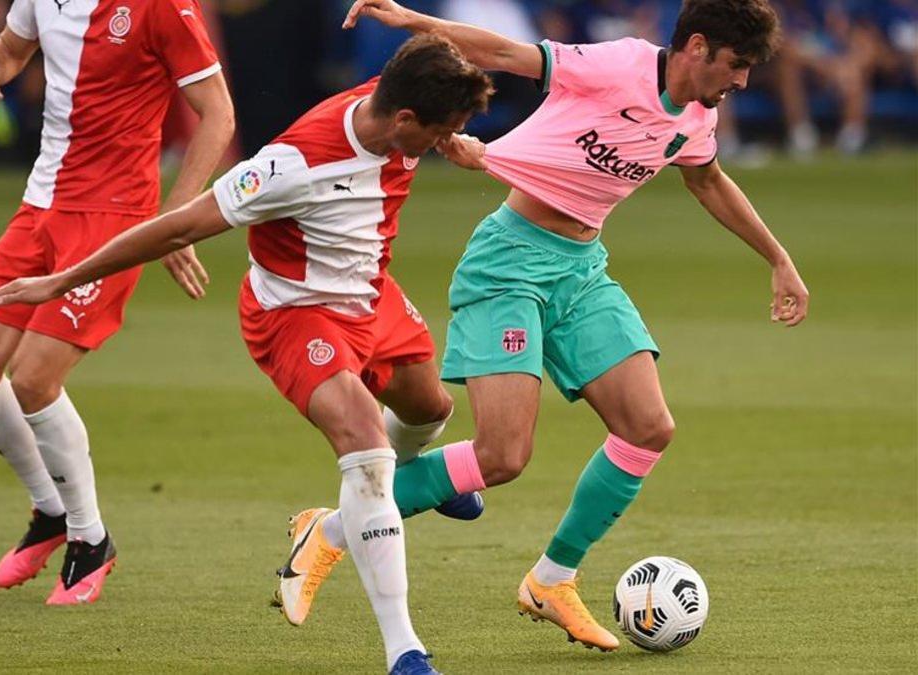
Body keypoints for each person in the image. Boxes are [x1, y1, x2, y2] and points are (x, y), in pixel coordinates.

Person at [0, 34, 494, 675]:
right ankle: (405, 651)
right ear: (403, 121)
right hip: (295, 312)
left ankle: (348, 518)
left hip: (369, 290)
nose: (444, 143)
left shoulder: (399, 104)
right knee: (366, 446)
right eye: (442, 131)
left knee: (430, 410)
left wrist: (452, 139)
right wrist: (58, 282)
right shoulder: (291, 166)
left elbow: (432, 72)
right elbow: (180, 225)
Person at [330, 0, 810, 652]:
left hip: (581, 267)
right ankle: (335, 526)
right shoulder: (619, 67)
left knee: (648, 426)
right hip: (511, 260)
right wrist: (414, 20)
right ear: (698, 46)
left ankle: (552, 579)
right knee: (502, 454)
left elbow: (709, 182)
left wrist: (779, 258)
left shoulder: (699, 116)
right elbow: (504, 54)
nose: (743, 81)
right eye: (738, 65)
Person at [0, 0, 234, 605]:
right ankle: (51, 511)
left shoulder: (160, 7)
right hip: (41, 207)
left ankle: (89, 538)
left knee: (32, 378)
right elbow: (11, 50)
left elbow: (218, 115)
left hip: (112, 218)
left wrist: (177, 219)